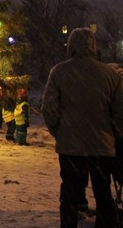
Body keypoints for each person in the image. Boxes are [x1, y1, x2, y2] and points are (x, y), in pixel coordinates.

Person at [42, 27, 123, 228]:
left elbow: (49, 108)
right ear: (94, 46)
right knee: (103, 192)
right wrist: (113, 134)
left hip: (70, 146)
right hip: (101, 146)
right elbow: (120, 111)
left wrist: (59, 131)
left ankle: (69, 224)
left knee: (69, 192)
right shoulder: (110, 75)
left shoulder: (59, 72)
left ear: (71, 46)